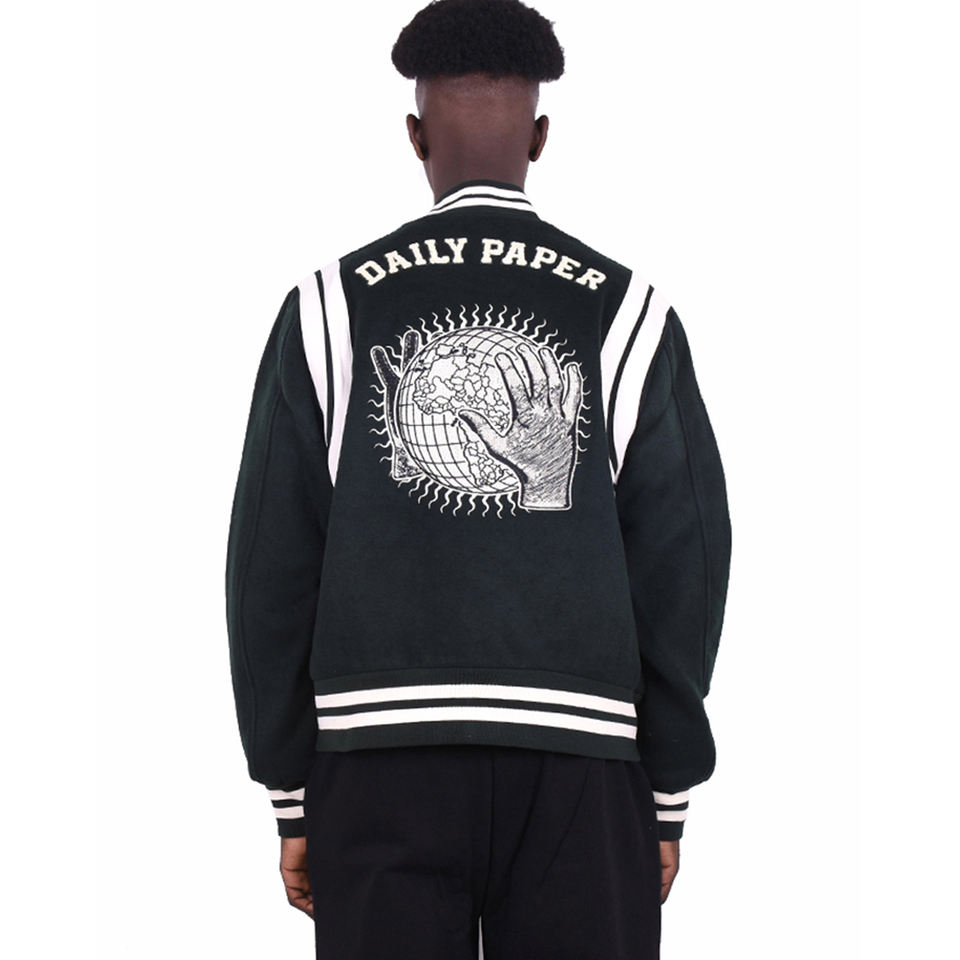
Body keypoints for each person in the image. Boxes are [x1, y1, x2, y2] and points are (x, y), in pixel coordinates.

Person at [224, 1, 732, 957]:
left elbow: (268, 566)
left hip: (376, 760)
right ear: (540, 138)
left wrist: (290, 788)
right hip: (584, 766)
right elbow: (685, 567)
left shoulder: (328, 307)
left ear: (415, 137)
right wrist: (666, 793)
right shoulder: (630, 313)